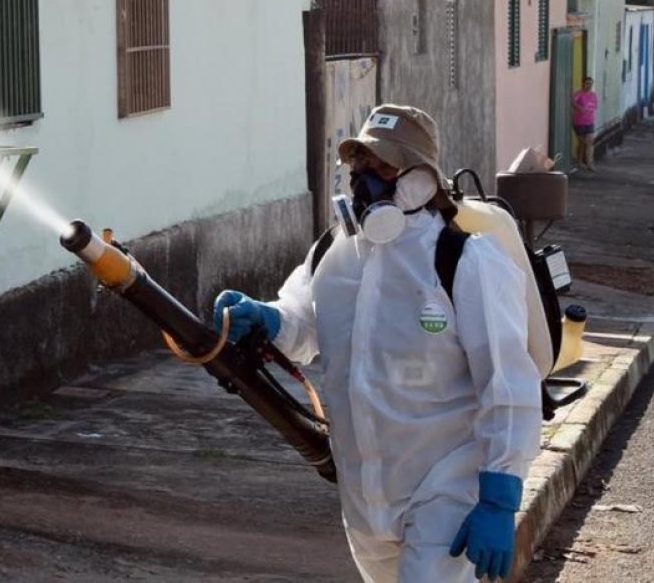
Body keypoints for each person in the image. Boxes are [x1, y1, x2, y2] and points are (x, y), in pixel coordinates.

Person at [214, 105, 542, 582]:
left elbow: (509, 382)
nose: (366, 179)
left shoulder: (465, 261)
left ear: (424, 178)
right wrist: (267, 317)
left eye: (384, 167)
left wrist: (498, 497)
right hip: (366, 493)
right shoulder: (334, 254)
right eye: (360, 165)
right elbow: (303, 324)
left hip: (447, 487)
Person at [572, 77, 598, 171]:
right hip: (579, 122)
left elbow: (595, 106)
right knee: (582, 143)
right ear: (583, 84)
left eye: (590, 83)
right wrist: (579, 108)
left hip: (590, 121)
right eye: (587, 83)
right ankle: (579, 161)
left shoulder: (594, 95)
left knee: (590, 142)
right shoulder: (578, 94)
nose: (589, 85)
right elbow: (572, 102)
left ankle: (590, 163)